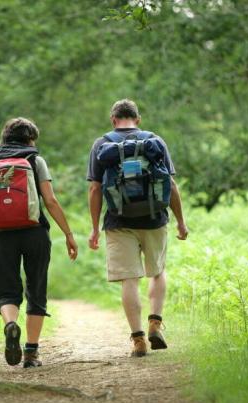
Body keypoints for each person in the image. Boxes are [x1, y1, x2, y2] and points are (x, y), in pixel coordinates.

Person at [87, 99, 189, 357]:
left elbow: (95, 189)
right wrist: (180, 221)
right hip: (155, 219)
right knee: (157, 271)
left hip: (119, 221)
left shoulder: (102, 144)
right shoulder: (155, 141)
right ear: (138, 119)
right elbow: (171, 185)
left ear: (113, 120)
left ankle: (138, 339)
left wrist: (94, 228)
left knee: (129, 279)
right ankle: (155, 322)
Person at [0, 117, 78, 368]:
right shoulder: (35, 160)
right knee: (36, 288)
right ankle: (31, 352)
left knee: (7, 290)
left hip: (1, 235)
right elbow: (51, 201)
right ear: (31, 139)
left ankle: (11, 324)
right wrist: (68, 233)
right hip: (35, 232)